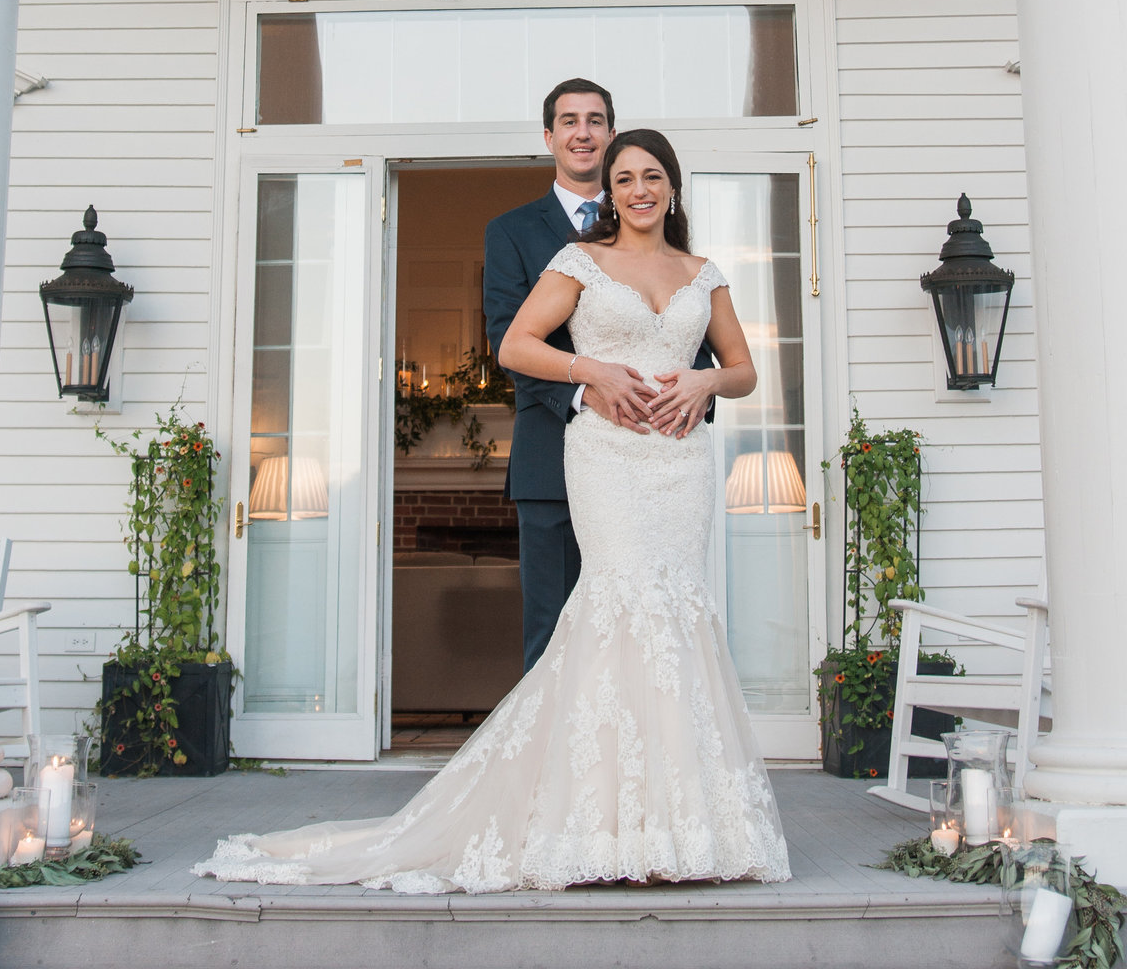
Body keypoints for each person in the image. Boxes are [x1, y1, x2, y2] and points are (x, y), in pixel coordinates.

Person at [195, 128, 790, 893]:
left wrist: (705, 385)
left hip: (679, 465)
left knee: (675, 613)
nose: (639, 189)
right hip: (608, 457)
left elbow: (741, 370)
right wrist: (591, 370)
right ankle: (591, 821)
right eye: (625, 178)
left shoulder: (702, 273)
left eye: (652, 176)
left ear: (673, 187)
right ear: (608, 191)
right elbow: (515, 344)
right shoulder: (580, 261)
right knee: (615, 608)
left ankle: (676, 825)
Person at [483, 78, 715, 671]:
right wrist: (588, 388)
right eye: (568, 121)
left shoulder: (653, 221)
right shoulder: (512, 230)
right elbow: (506, 337)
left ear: (612, 136)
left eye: (594, 121)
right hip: (554, 457)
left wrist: (696, 388)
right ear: (549, 137)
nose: (582, 133)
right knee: (556, 638)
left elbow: (684, 322)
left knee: (650, 629)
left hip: (659, 454)